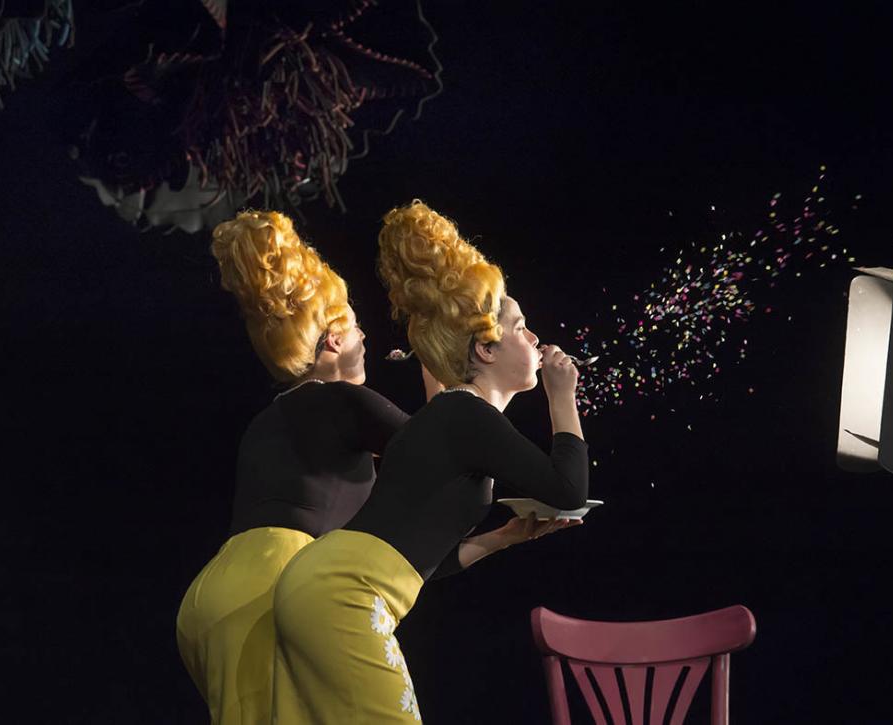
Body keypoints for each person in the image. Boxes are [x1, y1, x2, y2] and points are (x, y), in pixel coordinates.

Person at [271, 200, 589, 723]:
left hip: (323, 583)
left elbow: (418, 560)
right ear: (486, 350)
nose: (535, 339)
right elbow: (569, 492)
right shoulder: (466, 414)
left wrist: (502, 538)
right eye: (521, 327)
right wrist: (562, 396)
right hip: (343, 592)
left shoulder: (451, 417)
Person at [175, 210, 418, 724]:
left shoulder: (269, 420)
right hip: (280, 589)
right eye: (356, 327)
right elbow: (442, 449)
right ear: (334, 340)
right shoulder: (345, 400)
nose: (366, 338)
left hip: (215, 595)